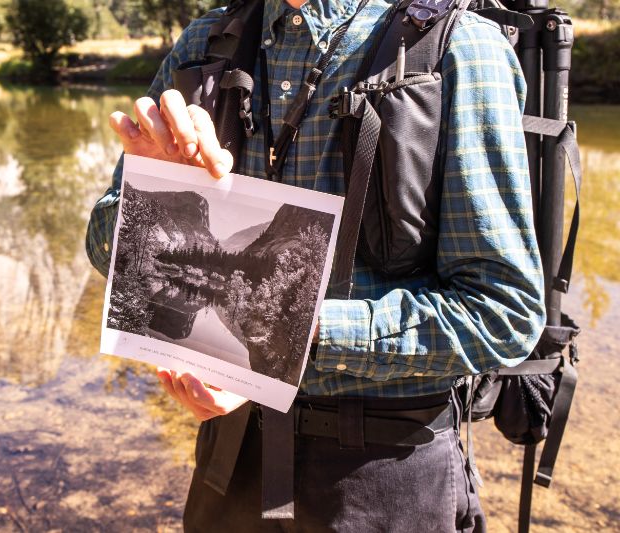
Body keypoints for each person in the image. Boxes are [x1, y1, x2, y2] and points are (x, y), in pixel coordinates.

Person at [86, 0, 546, 530]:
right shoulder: (207, 42)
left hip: (384, 474)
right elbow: (103, 245)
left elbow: (503, 313)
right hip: (228, 460)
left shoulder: (460, 48)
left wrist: (283, 340)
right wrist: (155, 201)